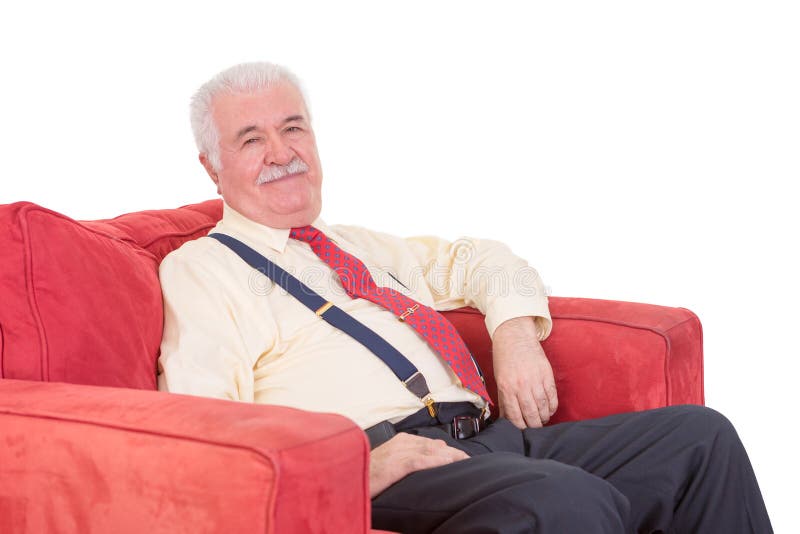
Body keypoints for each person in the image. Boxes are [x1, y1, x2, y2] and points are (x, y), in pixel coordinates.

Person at [157, 61, 772, 533]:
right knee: (564, 500)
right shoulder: (202, 270)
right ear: (212, 167)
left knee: (701, 440)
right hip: (392, 462)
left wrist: (514, 335)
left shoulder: (357, 246)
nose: (282, 153)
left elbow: (483, 259)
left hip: (489, 439)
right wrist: (347, 471)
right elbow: (206, 425)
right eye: (251, 139)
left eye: (293, 128)